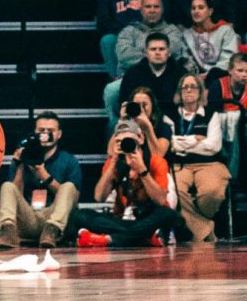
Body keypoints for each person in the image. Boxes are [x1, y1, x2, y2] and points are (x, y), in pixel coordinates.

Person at [73, 120, 177, 248]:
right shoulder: (114, 163)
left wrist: (142, 170)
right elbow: (99, 196)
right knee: (80, 215)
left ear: (141, 139)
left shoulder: (155, 161)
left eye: (129, 140)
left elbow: (161, 200)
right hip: (123, 219)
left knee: (168, 214)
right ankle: (144, 238)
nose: (125, 144)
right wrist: (113, 161)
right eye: (119, 141)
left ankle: (108, 239)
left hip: (148, 217)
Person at [0, 112, 81, 249]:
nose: (45, 134)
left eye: (51, 131)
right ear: (35, 132)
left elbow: (74, 199)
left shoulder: (69, 161)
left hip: (53, 218)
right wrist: (21, 164)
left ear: (59, 134)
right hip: (27, 216)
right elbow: (15, 192)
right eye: (41, 130)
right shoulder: (23, 156)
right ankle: (8, 232)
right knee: (7, 186)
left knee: (69, 186)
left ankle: (52, 231)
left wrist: (44, 175)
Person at [166, 74, 229, 242]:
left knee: (212, 192)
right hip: (179, 164)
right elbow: (170, 144)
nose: (188, 90)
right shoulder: (170, 115)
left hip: (210, 164)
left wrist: (182, 142)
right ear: (179, 92)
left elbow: (214, 146)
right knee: (176, 192)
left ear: (200, 91)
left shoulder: (211, 114)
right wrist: (195, 139)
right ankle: (206, 230)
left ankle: (196, 225)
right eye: (184, 87)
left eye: (193, 86)